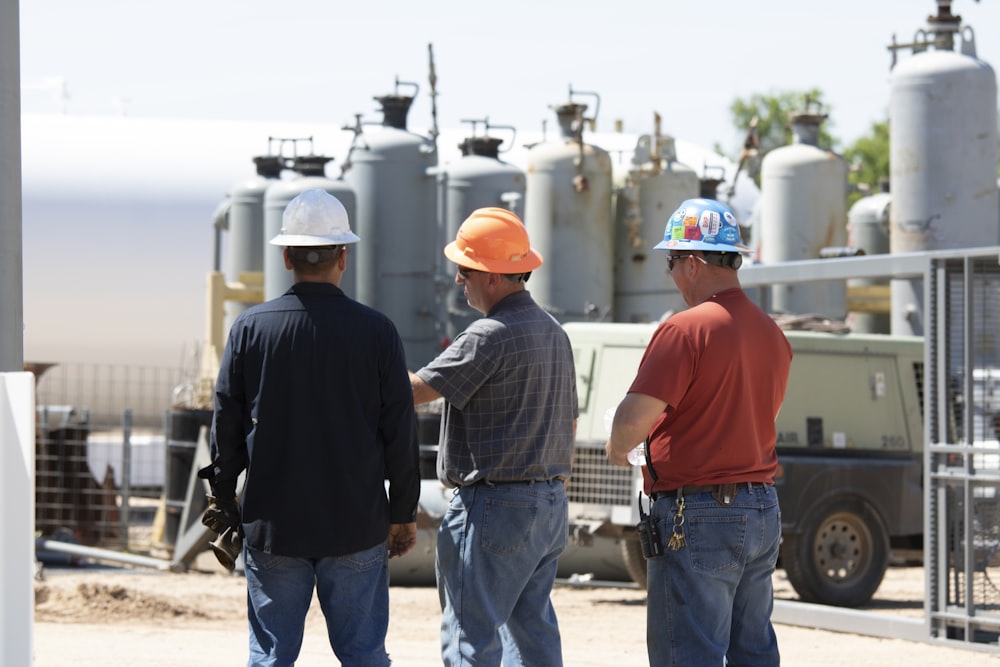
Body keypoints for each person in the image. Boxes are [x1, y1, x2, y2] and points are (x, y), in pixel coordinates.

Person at [199, 188, 421, 667]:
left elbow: (227, 423)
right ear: (344, 256)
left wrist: (223, 494)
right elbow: (399, 430)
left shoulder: (250, 328)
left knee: (271, 657)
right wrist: (402, 511)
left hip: (273, 523)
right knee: (364, 655)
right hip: (356, 523)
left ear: (285, 257)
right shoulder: (377, 331)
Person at [604, 197, 792, 667]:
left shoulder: (685, 330)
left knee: (687, 654)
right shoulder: (772, 332)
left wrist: (617, 448)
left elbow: (631, 424)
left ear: (691, 263)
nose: (671, 275)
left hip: (700, 512)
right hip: (761, 506)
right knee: (753, 650)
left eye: (671, 262)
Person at [409, 207, 578, 667]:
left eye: (464, 271)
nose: (459, 282)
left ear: (489, 276)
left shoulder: (487, 334)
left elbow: (414, 392)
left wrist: (359, 362)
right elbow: (571, 423)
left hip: (494, 508)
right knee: (531, 635)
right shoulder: (554, 331)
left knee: (470, 638)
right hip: (547, 505)